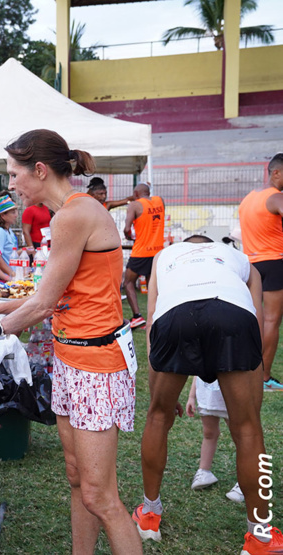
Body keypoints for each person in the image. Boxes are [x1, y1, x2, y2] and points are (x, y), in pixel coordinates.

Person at [0, 129, 142, 555]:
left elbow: (43, 303)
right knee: (78, 478)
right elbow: (57, 294)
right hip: (72, 359)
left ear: (39, 170)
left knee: (101, 496)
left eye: (14, 174)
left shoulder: (73, 215)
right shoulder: (71, 212)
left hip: (95, 366)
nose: (10, 185)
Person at [133, 236, 283, 553]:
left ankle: (149, 514)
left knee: (158, 418)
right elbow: (256, 319)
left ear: (185, 245)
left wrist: (160, 386)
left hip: (175, 316)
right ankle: (260, 537)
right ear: (214, 245)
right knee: (248, 428)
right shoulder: (240, 258)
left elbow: (152, 316)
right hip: (233, 314)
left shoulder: (163, 256)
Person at [238, 153, 283, 391]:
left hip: (251, 265)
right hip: (274, 262)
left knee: (254, 320)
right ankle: (263, 377)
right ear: (276, 173)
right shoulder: (276, 197)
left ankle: (247, 370)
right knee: (272, 320)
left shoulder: (249, 198)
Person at [184, 377, 242, 501]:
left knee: (241, 437)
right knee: (209, 433)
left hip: (232, 396)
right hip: (207, 396)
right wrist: (191, 396)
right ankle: (204, 471)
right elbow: (197, 371)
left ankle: (247, 480)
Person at [123, 182, 165, 329]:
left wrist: (128, 236)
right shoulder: (160, 201)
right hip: (158, 251)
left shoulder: (135, 205)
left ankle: (137, 317)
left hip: (141, 251)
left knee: (128, 282)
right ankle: (156, 317)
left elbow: (127, 228)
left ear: (135, 194)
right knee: (152, 285)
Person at [0, 194, 20, 269]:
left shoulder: (8, 231)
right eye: (13, 212)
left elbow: (9, 254)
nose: (16, 215)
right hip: (5, 275)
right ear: (3, 215)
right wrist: (11, 273)